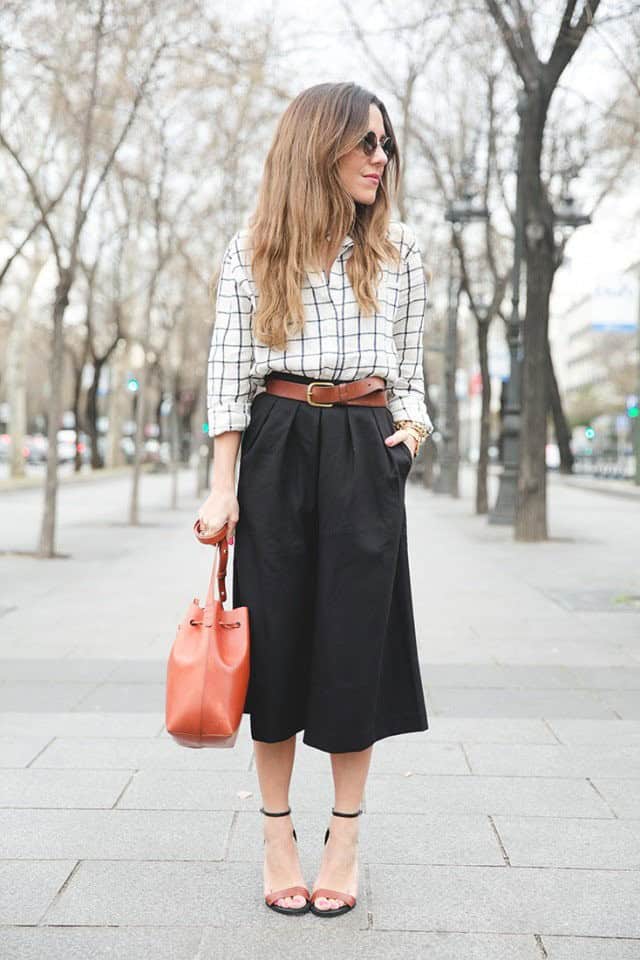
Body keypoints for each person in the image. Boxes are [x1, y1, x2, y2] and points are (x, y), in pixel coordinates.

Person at [199, 81, 433, 919]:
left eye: (385, 145)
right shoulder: (253, 249)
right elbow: (228, 375)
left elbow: (413, 370)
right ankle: (276, 837)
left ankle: (344, 836)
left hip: (364, 446)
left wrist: (408, 433)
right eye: (367, 143)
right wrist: (223, 487)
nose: (381, 159)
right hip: (278, 440)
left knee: (353, 643)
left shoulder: (401, 250)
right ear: (319, 146)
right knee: (280, 645)